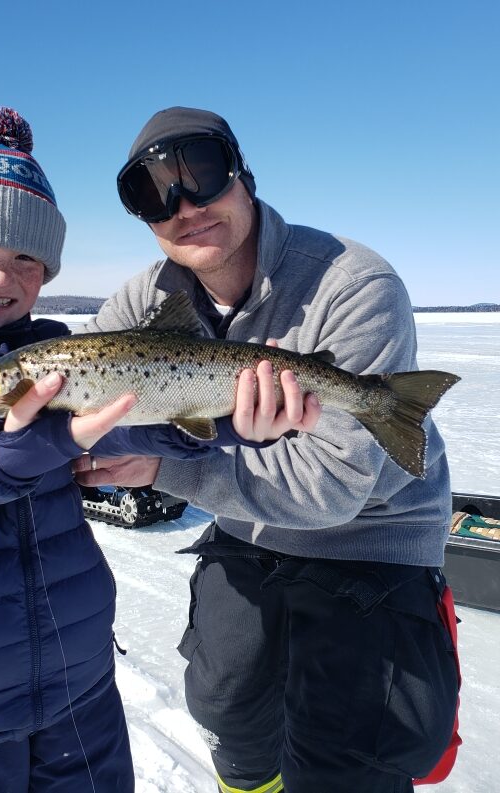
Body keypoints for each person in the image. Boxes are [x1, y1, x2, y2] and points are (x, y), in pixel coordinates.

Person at [0, 108, 312, 792]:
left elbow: (131, 421)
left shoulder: (58, 349)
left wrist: (230, 421)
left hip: (81, 699)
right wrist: (26, 443)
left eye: (25, 259)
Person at [73, 106, 462, 793]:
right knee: (225, 707)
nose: (183, 206)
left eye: (202, 174)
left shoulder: (352, 283)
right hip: (246, 530)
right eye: (153, 193)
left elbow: (336, 488)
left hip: (370, 539)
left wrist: (168, 463)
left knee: (355, 744)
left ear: (243, 175)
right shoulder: (146, 300)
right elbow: (79, 382)